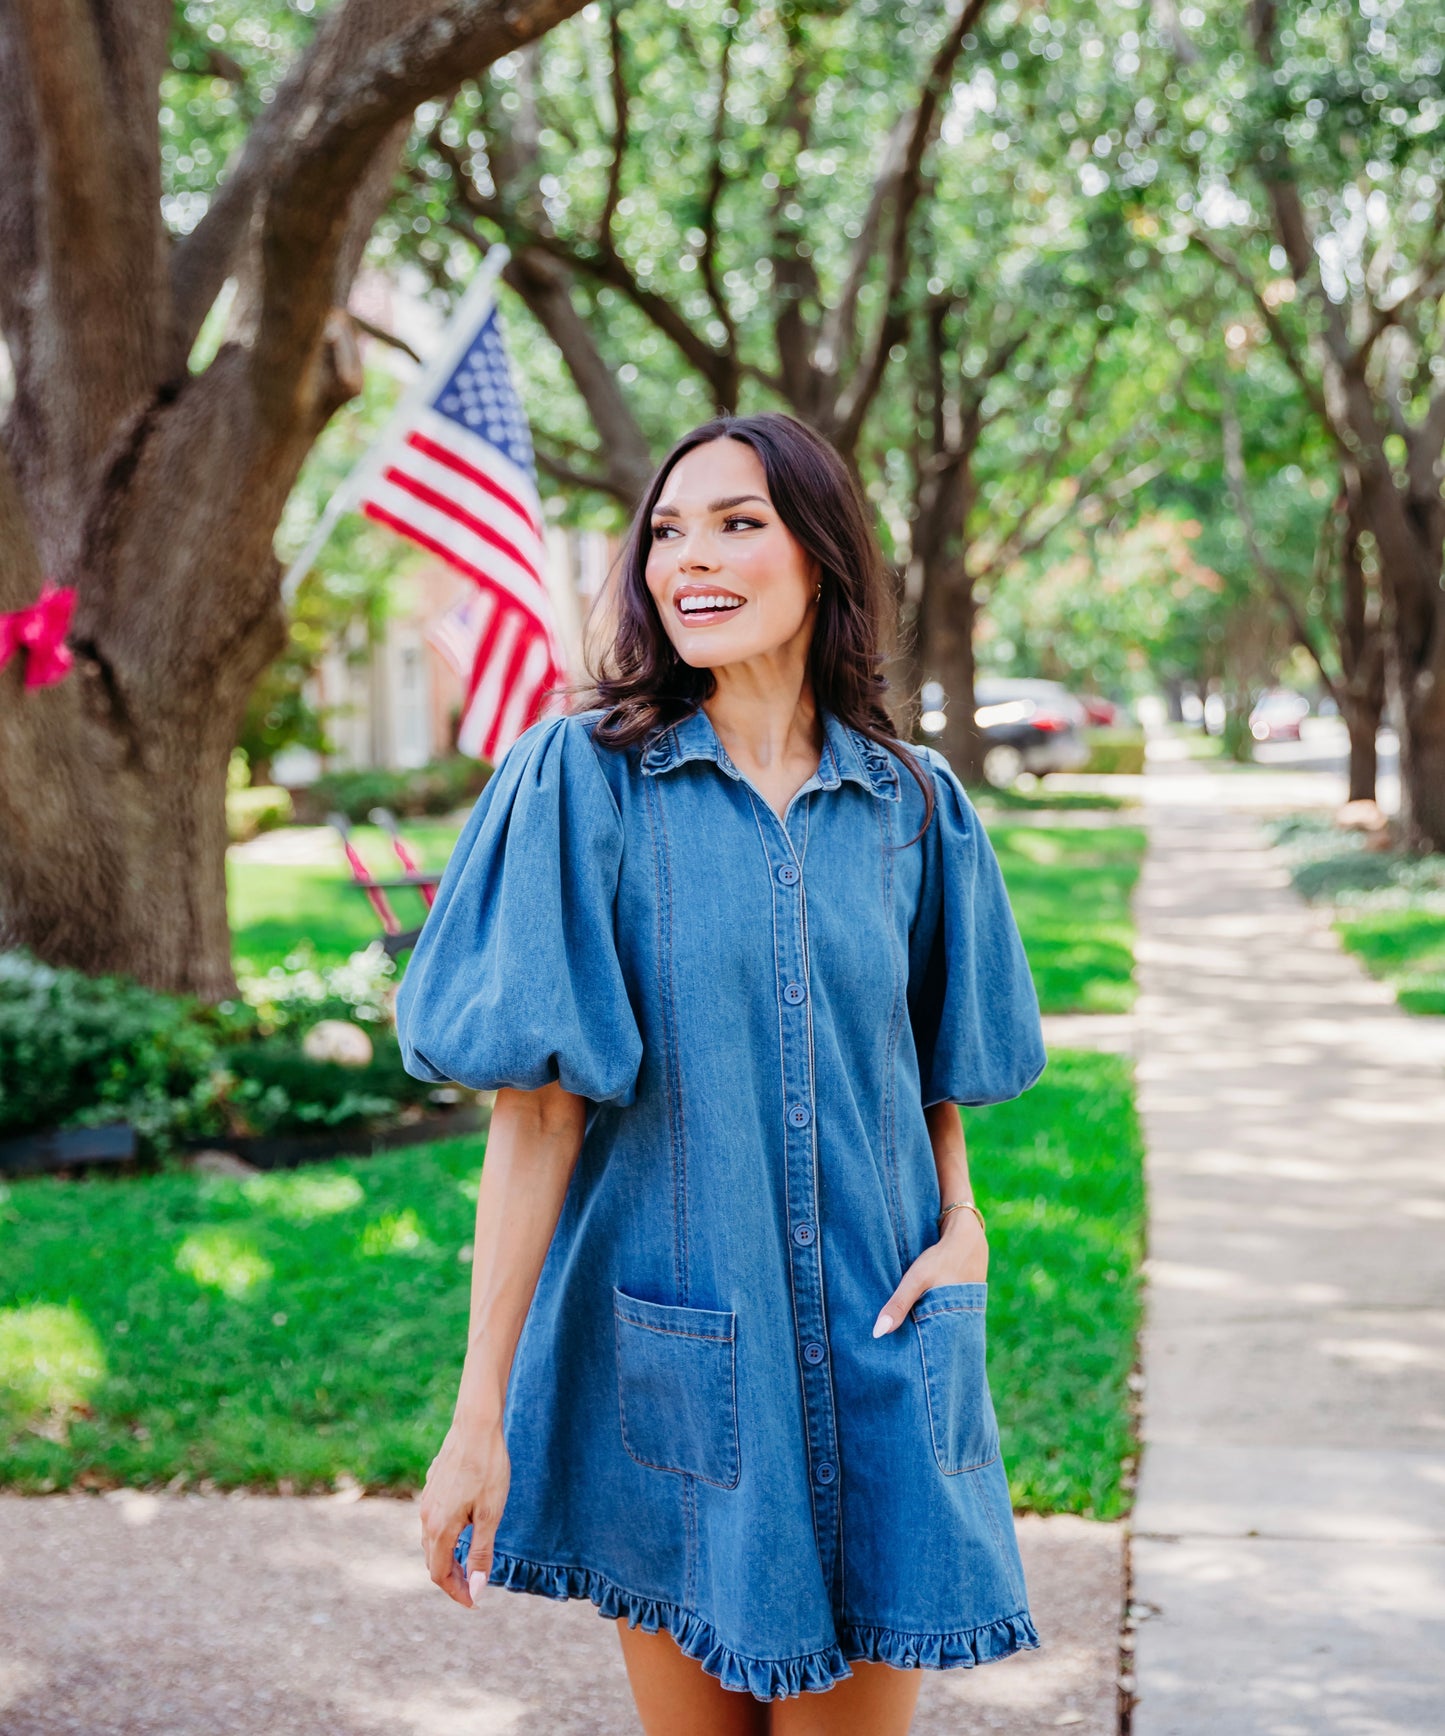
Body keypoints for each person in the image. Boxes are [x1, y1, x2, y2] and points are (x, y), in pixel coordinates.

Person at [394, 410, 1048, 1736]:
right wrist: (477, 1422)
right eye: (668, 530)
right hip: (678, 1354)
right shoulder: (581, 783)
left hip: (886, 1336)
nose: (688, 556)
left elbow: (926, 1067)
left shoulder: (917, 805)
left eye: (737, 524)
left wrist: (962, 1227)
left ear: (820, 560)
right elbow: (535, 1119)